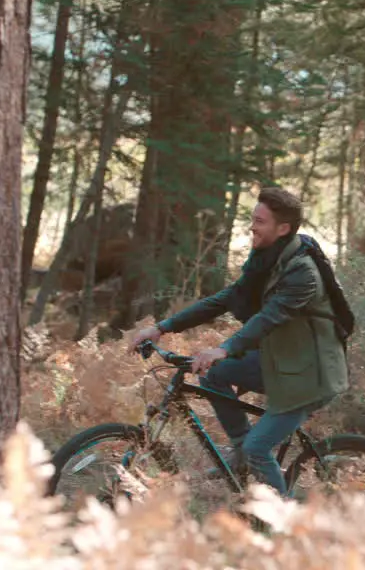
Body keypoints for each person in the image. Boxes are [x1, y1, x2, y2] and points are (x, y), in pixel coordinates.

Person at [127, 187, 348, 495]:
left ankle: (278, 527)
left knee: (259, 449)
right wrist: (162, 327)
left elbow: (267, 318)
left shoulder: (303, 273)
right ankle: (241, 454)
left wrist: (224, 348)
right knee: (212, 374)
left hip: (310, 375)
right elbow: (228, 298)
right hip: (281, 361)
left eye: (259, 221)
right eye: (252, 218)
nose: (251, 226)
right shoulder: (268, 259)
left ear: (282, 228)